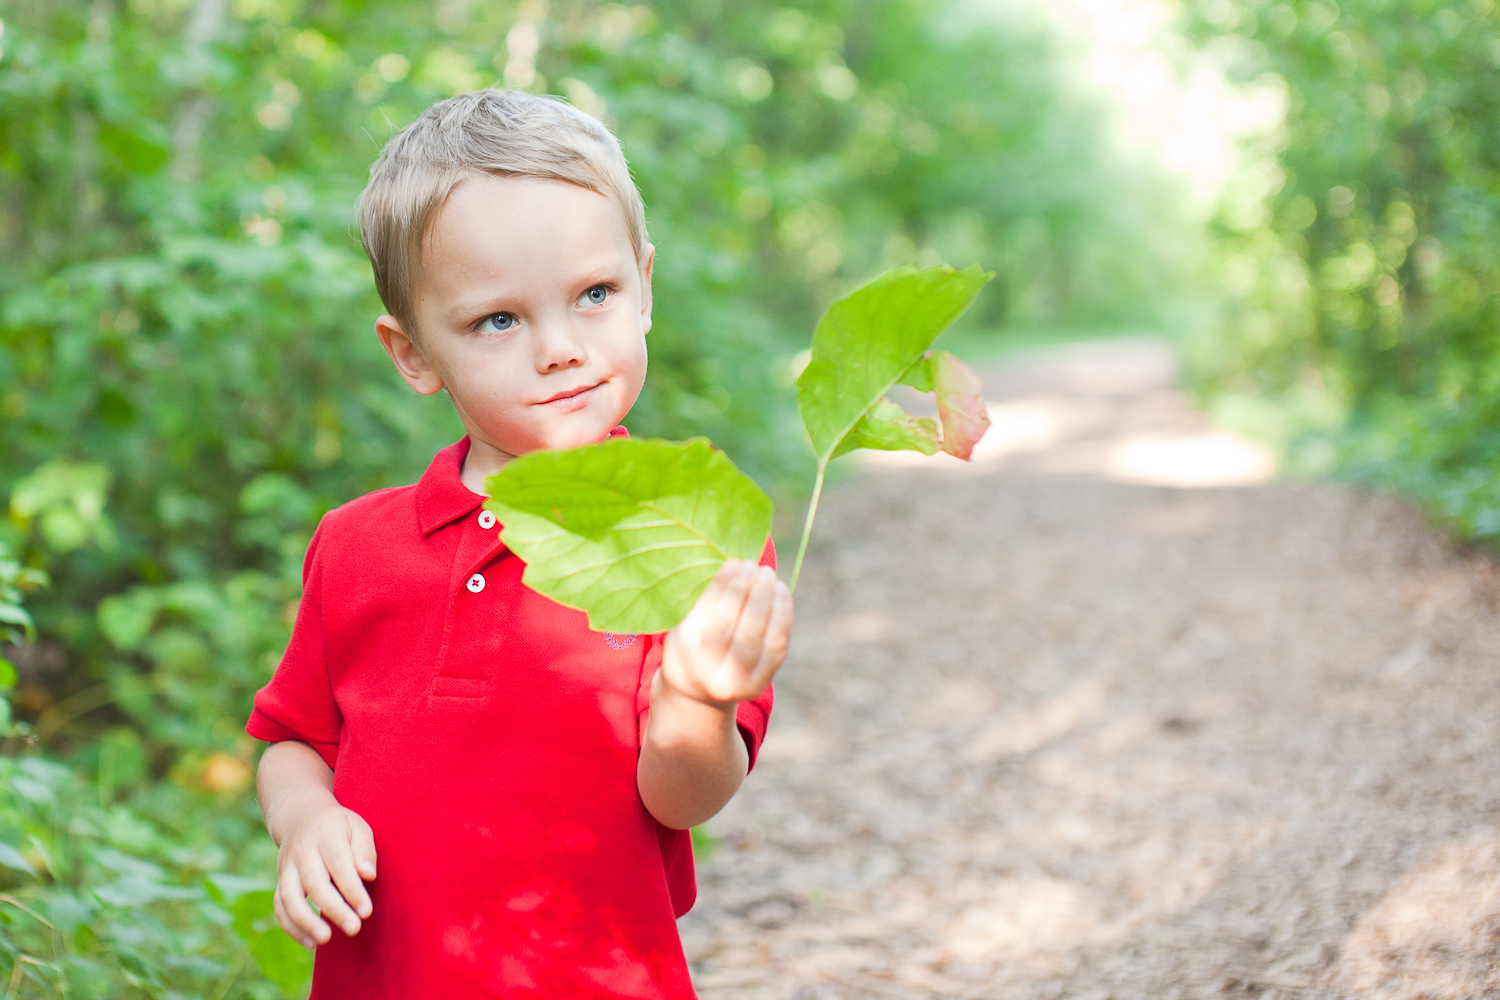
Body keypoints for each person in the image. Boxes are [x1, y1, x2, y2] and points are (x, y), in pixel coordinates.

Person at [245, 88, 793, 998]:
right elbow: (294, 740)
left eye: (594, 295)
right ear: (413, 352)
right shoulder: (356, 546)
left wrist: (696, 694)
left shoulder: (694, 535)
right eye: (498, 320)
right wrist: (303, 820)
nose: (560, 348)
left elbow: (684, 798)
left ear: (645, 287)